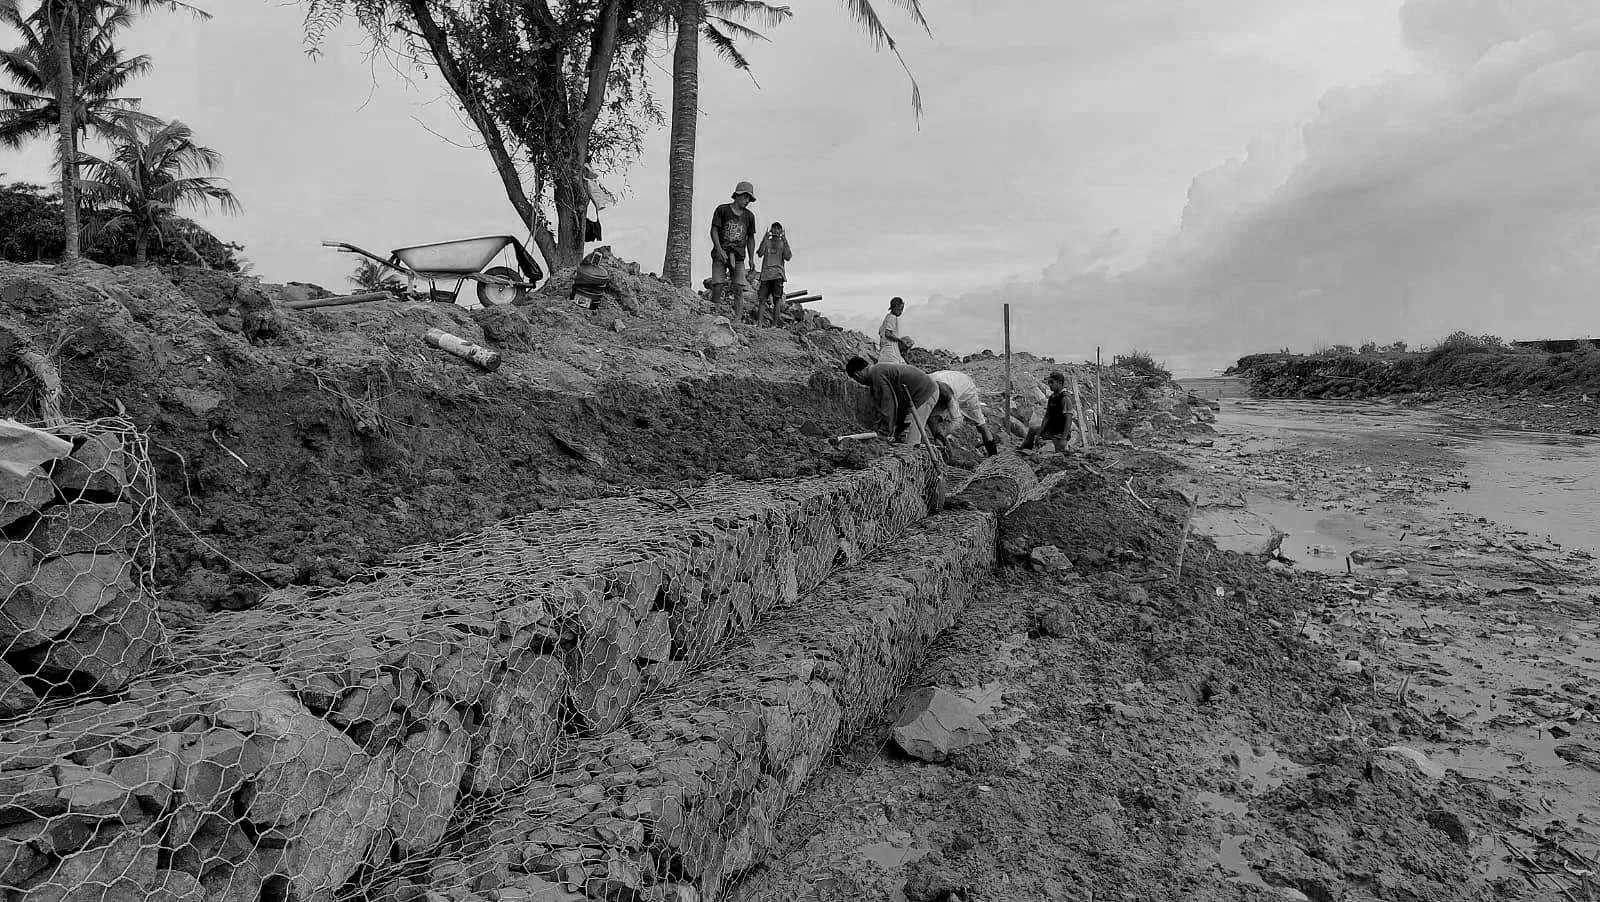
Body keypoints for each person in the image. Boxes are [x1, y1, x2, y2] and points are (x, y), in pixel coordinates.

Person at [845, 356, 939, 446]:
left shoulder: (877, 375)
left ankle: (914, 454)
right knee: (902, 434)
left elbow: (888, 405)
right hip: (921, 392)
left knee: (910, 439)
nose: (859, 382)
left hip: (924, 393)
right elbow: (895, 405)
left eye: (856, 379)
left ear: (857, 374)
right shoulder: (879, 370)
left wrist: (884, 433)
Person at [709, 181, 758, 322]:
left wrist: (751, 258)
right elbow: (714, 230)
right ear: (737, 195)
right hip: (721, 253)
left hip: (738, 256)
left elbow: (750, 238)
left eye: (749, 198)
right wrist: (719, 249)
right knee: (718, 284)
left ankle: (737, 319)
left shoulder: (749, 216)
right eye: (745, 197)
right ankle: (714, 313)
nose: (747, 201)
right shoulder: (722, 210)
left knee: (739, 287)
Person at [930, 369, 1000, 457]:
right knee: (934, 418)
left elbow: (958, 420)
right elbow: (931, 417)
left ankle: (993, 456)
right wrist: (937, 434)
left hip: (965, 388)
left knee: (980, 424)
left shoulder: (947, 394)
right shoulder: (924, 386)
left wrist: (941, 435)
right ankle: (942, 449)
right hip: (947, 380)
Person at [1021, 371, 1072, 453]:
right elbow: (1047, 417)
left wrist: (1063, 438)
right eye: (1049, 382)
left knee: (1059, 454)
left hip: (1060, 433)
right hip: (1050, 430)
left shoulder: (1065, 398)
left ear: (1060, 382)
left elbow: (1068, 420)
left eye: (1052, 382)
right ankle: (1024, 450)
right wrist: (1039, 434)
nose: (1050, 385)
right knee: (1033, 429)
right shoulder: (1052, 397)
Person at [755, 222, 792, 326]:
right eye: (774, 228)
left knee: (777, 300)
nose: (775, 230)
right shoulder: (767, 242)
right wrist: (764, 238)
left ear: (781, 231)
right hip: (766, 275)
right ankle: (759, 324)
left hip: (778, 274)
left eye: (778, 228)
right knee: (762, 299)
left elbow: (788, 257)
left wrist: (785, 239)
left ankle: (774, 325)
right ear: (771, 230)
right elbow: (760, 253)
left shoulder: (782, 243)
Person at [878, 297, 910, 364]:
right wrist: (900, 340)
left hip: (884, 351)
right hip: (890, 351)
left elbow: (880, 332)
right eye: (899, 309)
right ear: (894, 308)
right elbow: (887, 333)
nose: (901, 312)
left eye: (902, 309)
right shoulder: (892, 317)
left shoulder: (887, 317)